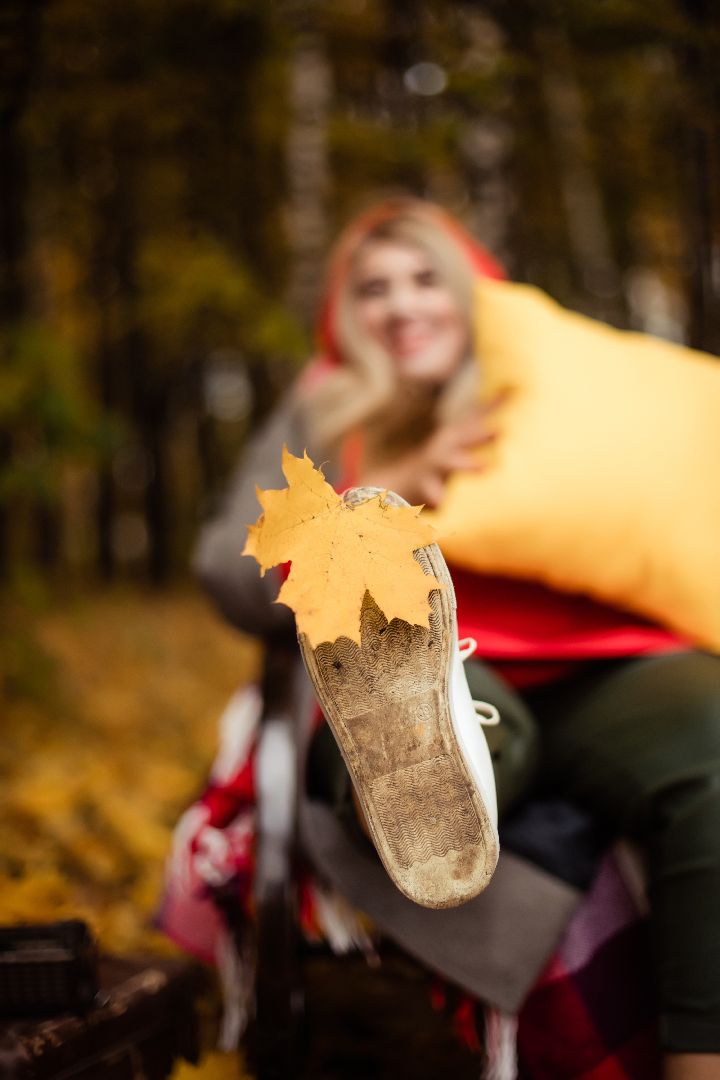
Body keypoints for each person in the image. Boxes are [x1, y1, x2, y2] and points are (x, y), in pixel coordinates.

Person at [192, 198, 720, 1079]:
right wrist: (388, 484)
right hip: (429, 651)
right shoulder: (326, 409)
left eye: (428, 279)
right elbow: (223, 570)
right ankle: (407, 765)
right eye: (373, 289)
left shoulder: (556, 384)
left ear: (478, 291)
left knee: (710, 738)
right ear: (342, 315)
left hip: (598, 659)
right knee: (464, 740)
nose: (403, 306)